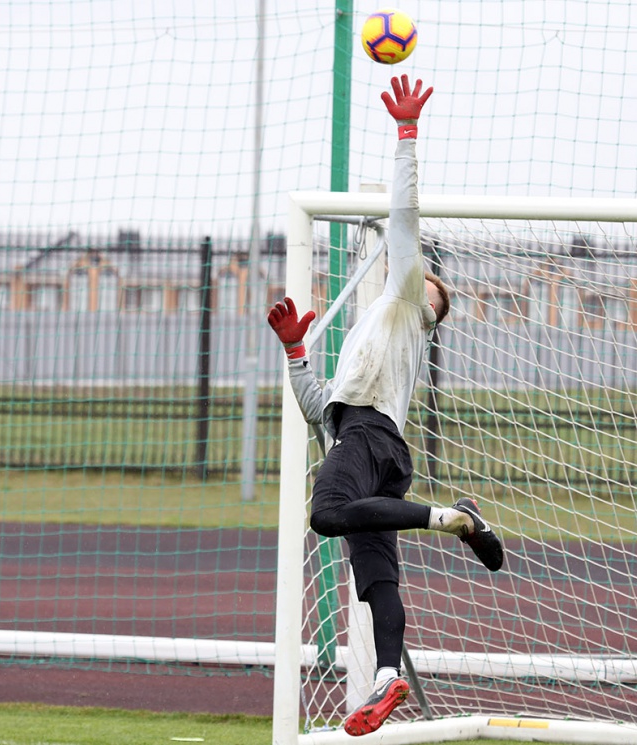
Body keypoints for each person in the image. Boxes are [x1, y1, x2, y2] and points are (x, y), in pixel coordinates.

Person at [266, 75, 504, 738]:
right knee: (377, 587)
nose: (416, 274)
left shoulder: (406, 304)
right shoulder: (376, 342)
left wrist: (406, 138)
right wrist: (294, 353)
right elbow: (321, 409)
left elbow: (403, 221)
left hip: (370, 442)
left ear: (431, 306)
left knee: (323, 512)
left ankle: (452, 517)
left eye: (427, 281)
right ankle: (386, 674)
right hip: (371, 446)